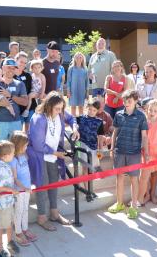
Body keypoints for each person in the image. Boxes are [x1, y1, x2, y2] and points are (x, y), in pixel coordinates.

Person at [27, 91, 79, 231]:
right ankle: (42, 217)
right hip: (40, 156)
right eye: (57, 108)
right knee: (42, 186)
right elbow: (38, 145)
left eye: (61, 108)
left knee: (53, 184)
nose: (60, 111)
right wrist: (55, 152)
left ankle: (54, 213)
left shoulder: (60, 113)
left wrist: (74, 128)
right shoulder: (39, 118)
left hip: (53, 156)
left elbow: (72, 118)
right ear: (49, 106)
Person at [108, 90, 149, 219]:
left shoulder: (141, 116)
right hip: (119, 152)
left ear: (136, 101)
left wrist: (146, 152)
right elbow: (115, 133)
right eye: (125, 101)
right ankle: (119, 203)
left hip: (134, 153)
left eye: (129, 101)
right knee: (119, 177)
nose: (126, 103)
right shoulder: (119, 114)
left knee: (134, 179)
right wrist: (112, 148)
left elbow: (144, 136)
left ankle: (134, 207)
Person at [0, 58, 28, 141]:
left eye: (13, 68)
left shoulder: (20, 84)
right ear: (2, 68)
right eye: (8, 67)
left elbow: (25, 102)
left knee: (16, 149)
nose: (11, 70)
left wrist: (10, 95)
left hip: (15, 122)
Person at [9, 131, 37, 246]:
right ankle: (18, 232)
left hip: (27, 189)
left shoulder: (24, 155)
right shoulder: (13, 160)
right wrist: (24, 187)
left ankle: (25, 229)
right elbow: (15, 178)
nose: (26, 147)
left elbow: (26, 173)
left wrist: (29, 186)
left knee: (25, 209)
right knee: (19, 211)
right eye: (25, 145)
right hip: (19, 190)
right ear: (18, 145)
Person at [0, 141, 20, 257]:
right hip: (2, 204)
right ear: (5, 156)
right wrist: (11, 190)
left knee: (9, 223)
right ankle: (0, 249)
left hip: (8, 202)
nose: (14, 155)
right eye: (12, 153)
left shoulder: (5, 164)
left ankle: (10, 242)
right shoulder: (1, 168)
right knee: (0, 227)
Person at [77, 99, 105, 177]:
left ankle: (91, 186)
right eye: (89, 109)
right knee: (85, 168)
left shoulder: (99, 122)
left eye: (94, 110)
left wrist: (101, 149)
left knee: (93, 168)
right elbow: (72, 122)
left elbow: (100, 136)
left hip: (93, 148)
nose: (91, 112)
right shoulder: (81, 118)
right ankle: (86, 188)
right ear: (87, 108)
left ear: (97, 111)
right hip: (82, 146)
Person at [14, 52, 37, 130]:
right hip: (17, 108)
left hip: (29, 107)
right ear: (15, 60)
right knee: (18, 132)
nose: (23, 64)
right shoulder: (10, 75)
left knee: (29, 131)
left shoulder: (28, 76)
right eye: (21, 62)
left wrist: (34, 93)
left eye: (25, 63)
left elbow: (33, 90)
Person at [67, 52, 89, 116]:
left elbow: (87, 81)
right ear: (74, 58)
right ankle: (73, 121)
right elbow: (68, 80)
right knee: (73, 106)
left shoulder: (85, 69)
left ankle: (80, 122)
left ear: (82, 59)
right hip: (73, 91)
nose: (78, 59)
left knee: (81, 106)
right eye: (77, 57)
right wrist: (68, 91)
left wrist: (87, 92)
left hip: (82, 91)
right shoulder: (71, 68)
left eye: (80, 57)